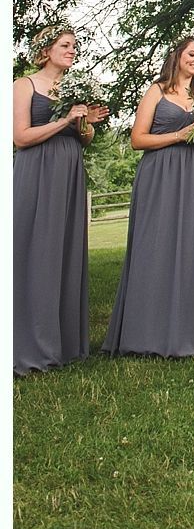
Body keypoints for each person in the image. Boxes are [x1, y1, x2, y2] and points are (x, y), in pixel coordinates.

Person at [102, 36, 194, 358]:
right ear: (178, 56)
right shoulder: (157, 90)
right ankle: (144, 332)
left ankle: (185, 331)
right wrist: (178, 135)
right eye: (192, 54)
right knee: (154, 245)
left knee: (190, 247)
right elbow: (137, 140)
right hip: (160, 172)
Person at [13, 24, 109, 376]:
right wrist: (67, 118)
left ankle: (64, 342)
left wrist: (86, 123)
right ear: (46, 50)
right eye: (65, 45)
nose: (72, 50)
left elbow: (83, 139)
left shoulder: (73, 89)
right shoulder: (24, 86)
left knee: (65, 251)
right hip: (37, 173)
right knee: (34, 251)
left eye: (74, 46)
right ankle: (27, 342)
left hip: (69, 173)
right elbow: (20, 137)